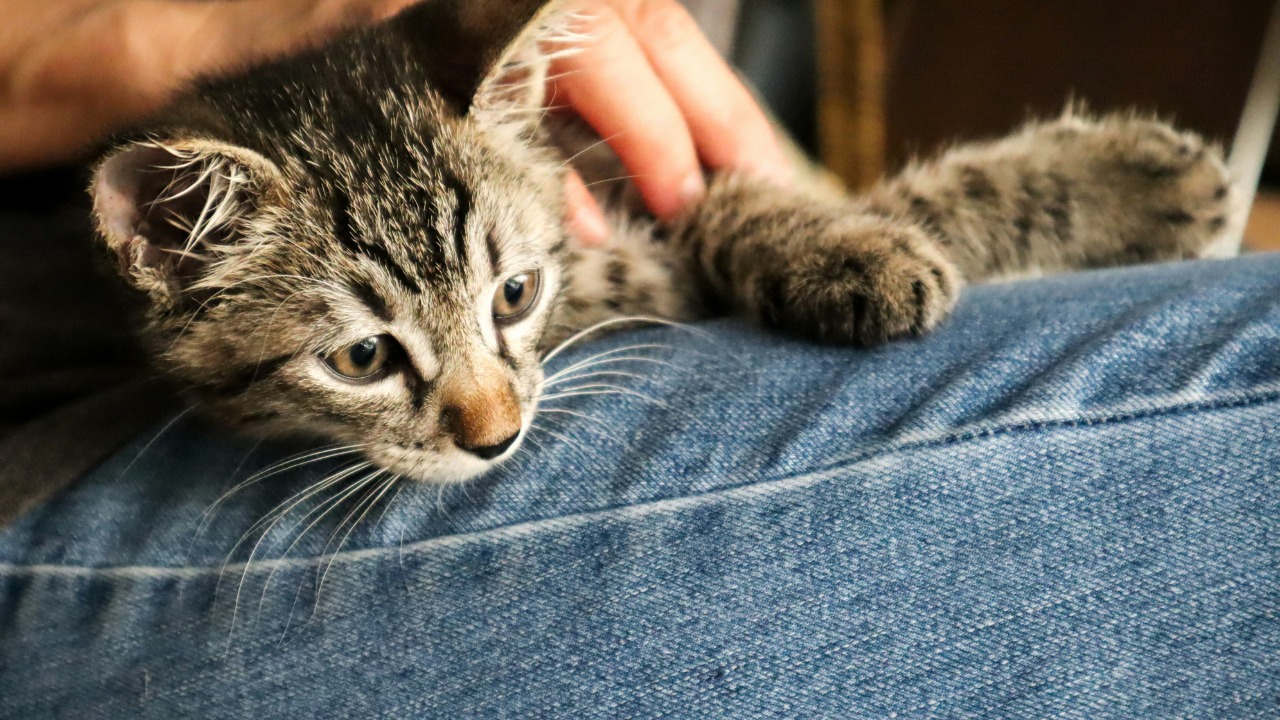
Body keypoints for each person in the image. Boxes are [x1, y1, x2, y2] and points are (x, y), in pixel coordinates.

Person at [0, 1, 1276, 717]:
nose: (491, 414)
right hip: (63, 447)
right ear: (176, 256)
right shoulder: (202, 232)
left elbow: (638, 226)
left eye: (509, 302)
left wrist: (759, 217)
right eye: (363, 354)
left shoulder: (508, 197)